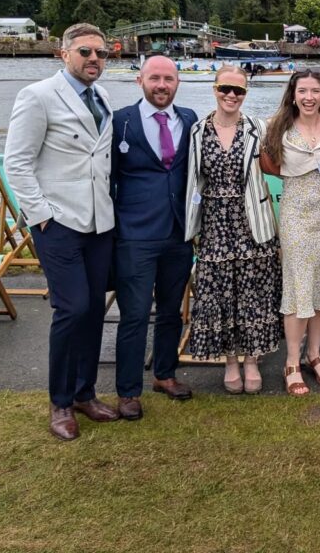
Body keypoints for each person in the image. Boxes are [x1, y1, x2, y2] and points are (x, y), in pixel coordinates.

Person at [4, 22, 117, 440]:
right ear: (64, 53)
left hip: (99, 222)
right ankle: (60, 403)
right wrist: (41, 215)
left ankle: (86, 394)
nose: (94, 60)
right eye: (86, 52)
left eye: (101, 54)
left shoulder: (102, 96)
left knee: (92, 310)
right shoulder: (37, 97)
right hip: (59, 222)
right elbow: (16, 161)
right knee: (71, 309)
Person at [110, 54, 198, 420]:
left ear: (178, 83)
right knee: (133, 315)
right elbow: (106, 177)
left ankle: (164, 373)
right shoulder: (120, 123)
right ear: (140, 81)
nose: (162, 85)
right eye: (155, 79)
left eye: (169, 79)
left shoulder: (190, 120)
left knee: (171, 312)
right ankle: (128, 390)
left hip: (178, 234)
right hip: (135, 235)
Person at [185, 66, 282, 394]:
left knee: (254, 294)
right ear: (215, 89)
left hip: (252, 220)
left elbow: (295, 127)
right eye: (225, 88)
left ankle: (252, 360)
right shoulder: (197, 131)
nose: (231, 95)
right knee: (220, 294)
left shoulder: (258, 127)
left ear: (245, 95)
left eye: (238, 91)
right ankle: (230, 360)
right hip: (214, 224)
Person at [261, 69, 320, 396]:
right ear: (293, 94)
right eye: (302, 91)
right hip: (296, 214)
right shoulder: (277, 126)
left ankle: (315, 355)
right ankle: (292, 361)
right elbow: (265, 163)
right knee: (297, 290)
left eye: (314, 91)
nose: (308, 97)